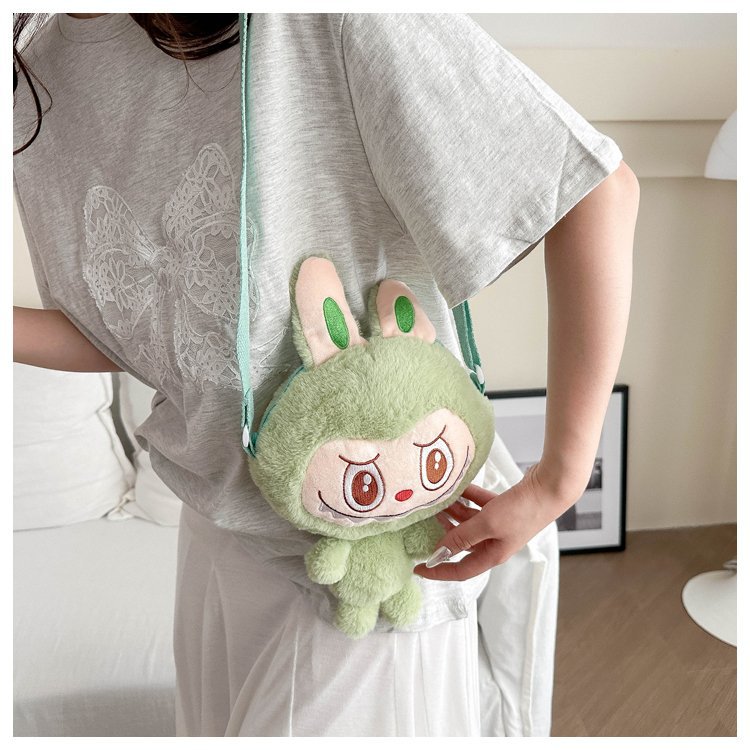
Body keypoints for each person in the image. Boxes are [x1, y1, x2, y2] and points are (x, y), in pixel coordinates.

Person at [13, 13, 639, 737]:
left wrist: (559, 479)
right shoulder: (41, 74)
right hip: (217, 536)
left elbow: (594, 193)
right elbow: (140, 326)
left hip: (365, 575)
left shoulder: (327, 21)